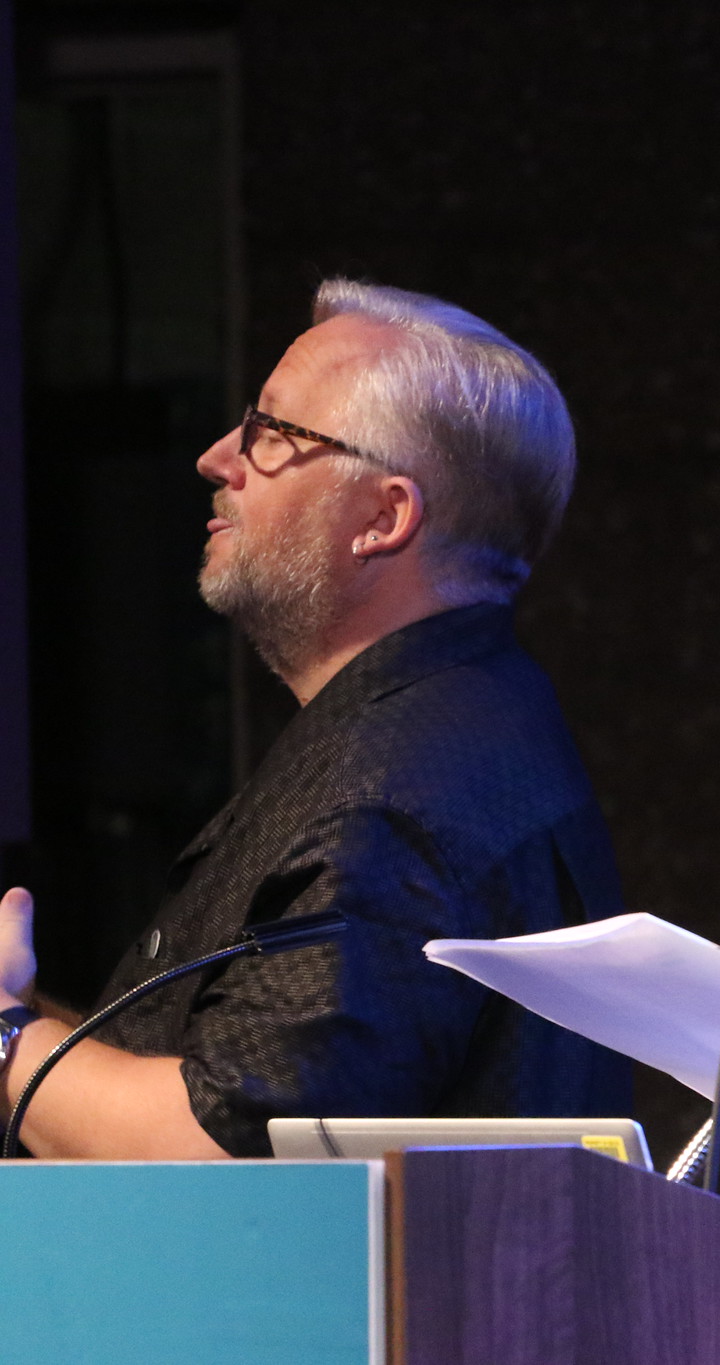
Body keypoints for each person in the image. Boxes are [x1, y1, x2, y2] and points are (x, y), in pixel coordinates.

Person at [0, 280, 631, 1159]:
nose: (217, 458)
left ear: (383, 516)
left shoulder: (394, 798)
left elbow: (227, 1151)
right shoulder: (454, 720)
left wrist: (5, 1037)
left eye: (270, 433)